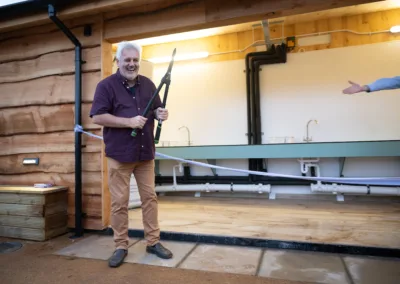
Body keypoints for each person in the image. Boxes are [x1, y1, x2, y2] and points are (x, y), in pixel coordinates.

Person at [90, 41, 173, 268]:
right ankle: (120, 246)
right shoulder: (106, 86)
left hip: (145, 154)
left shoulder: (148, 84)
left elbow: (155, 108)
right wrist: (128, 122)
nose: (132, 64)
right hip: (119, 155)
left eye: (135, 60)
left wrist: (160, 112)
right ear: (118, 62)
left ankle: (153, 242)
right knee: (119, 203)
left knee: (150, 199)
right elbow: (97, 117)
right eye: (127, 60)